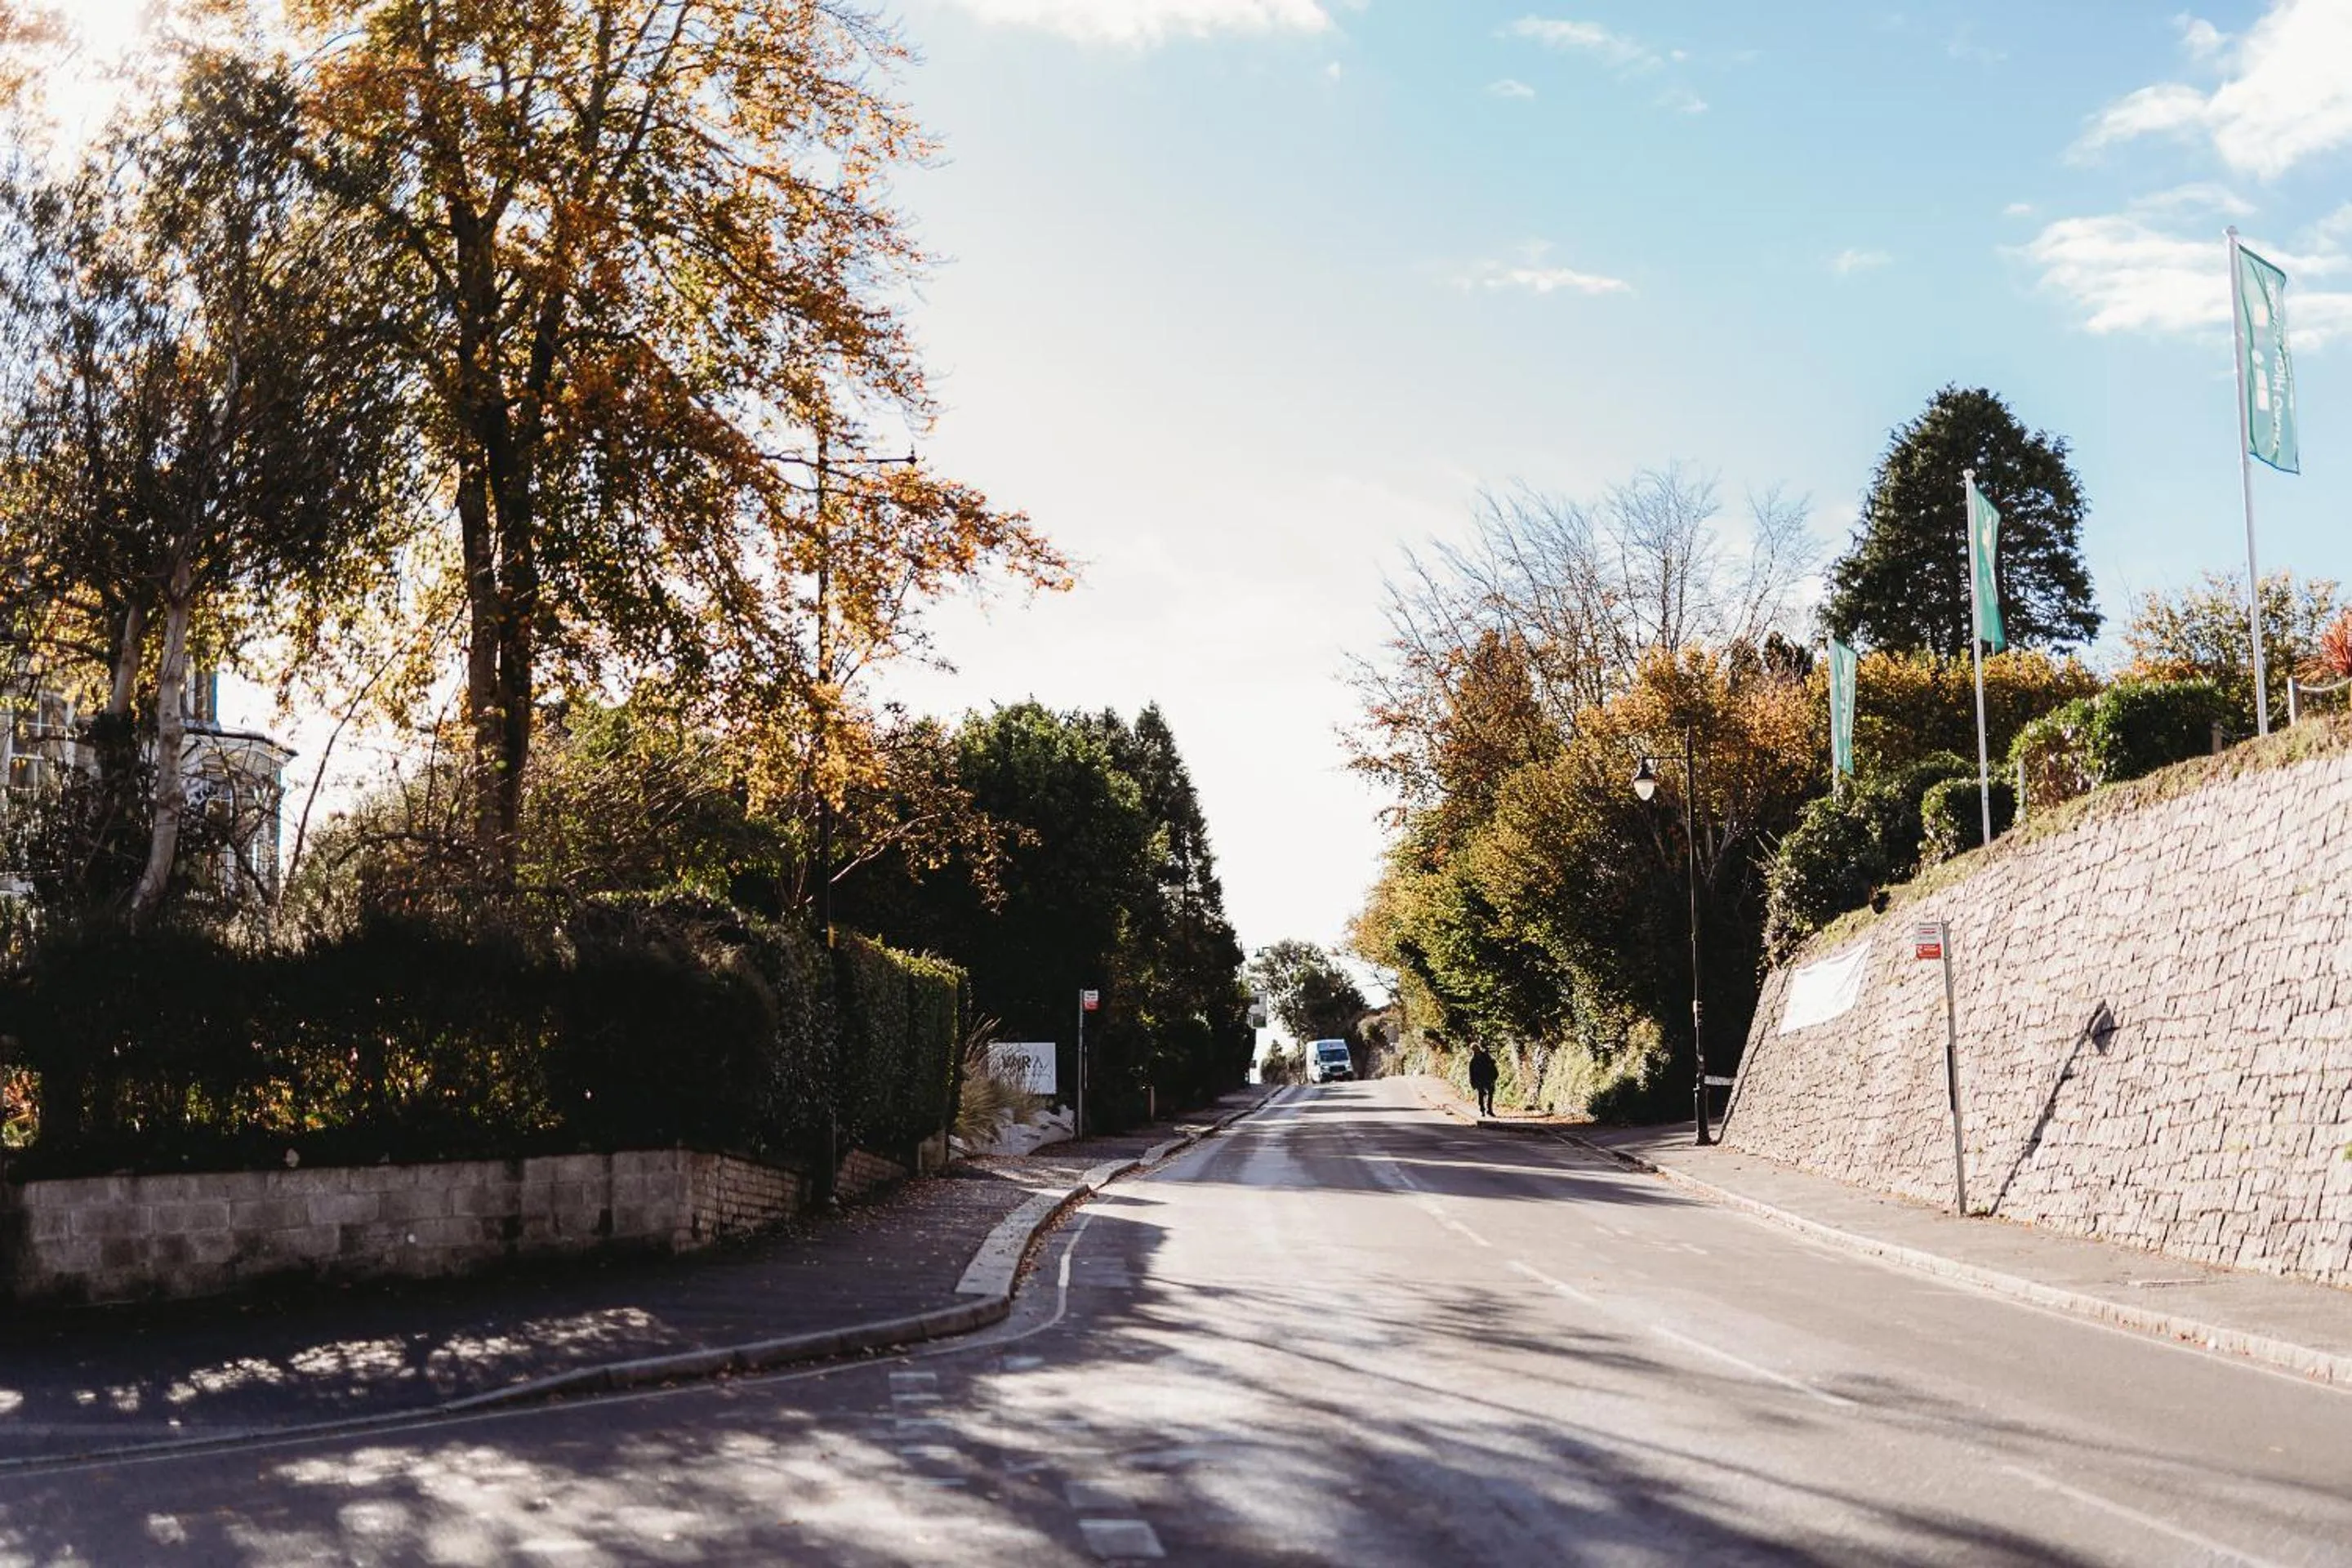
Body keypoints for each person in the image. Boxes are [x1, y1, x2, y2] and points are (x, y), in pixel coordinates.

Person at [1468, 1044, 1499, 1119]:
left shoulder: (1486, 1056)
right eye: (1474, 1049)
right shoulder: (1473, 1060)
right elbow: (1471, 1072)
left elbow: (1492, 1064)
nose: (1476, 1050)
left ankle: (1489, 1110)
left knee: (1490, 1093)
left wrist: (1495, 1075)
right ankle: (1482, 1110)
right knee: (1481, 1094)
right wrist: (1472, 1082)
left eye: (1476, 1048)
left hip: (1488, 1077)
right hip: (1479, 1079)